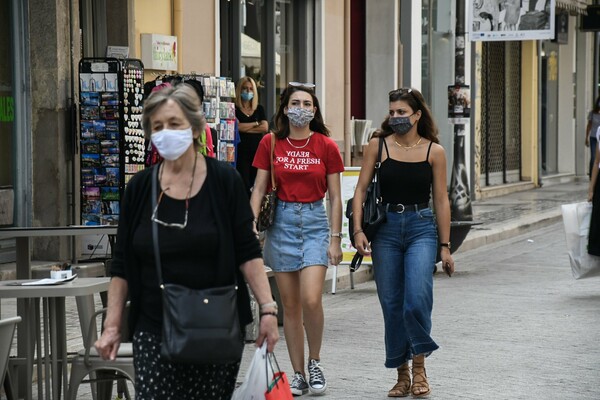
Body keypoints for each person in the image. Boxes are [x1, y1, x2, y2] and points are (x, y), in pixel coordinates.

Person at [94, 84, 279, 399]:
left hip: (216, 324)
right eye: (158, 127)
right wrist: (112, 325)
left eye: (175, 124)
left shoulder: (225, 182)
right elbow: (122, 263)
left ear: (195, 127)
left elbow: (247, 252)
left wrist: (268, 310)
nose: (166, 133)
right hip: (153, 326)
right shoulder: (140, 188)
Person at [352, 88, 454, 398]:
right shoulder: (377, 145)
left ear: (418, 115)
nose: (396, 117)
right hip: (386, 230)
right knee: (392, 303)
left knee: (417, 298)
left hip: (422, 227)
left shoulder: (433, 151)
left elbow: (441, 199)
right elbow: (360, 190)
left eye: (402, 113)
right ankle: (402, 373)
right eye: (392, 112)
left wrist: (445, 246)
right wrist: (357, 230)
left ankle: (420, 366)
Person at [250, 82, 344, 396]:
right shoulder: (271, 142)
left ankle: (315, 361)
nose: (300, 108)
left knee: (311, 299)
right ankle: (299, 373)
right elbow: (259, 188)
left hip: (316, 223)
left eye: (306, 104)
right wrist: (250, 224)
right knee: (289, 306)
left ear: (314, 110)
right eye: (295, 103)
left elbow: (335, 196)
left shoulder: (326, 146)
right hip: (282, 226)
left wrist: (335, 239)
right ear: (285, 108)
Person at [235, 76, 269, 195]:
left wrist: (244, 127)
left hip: (257, 152)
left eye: (250, 89)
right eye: (245, 88)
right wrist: (255, 124)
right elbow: (236, 128)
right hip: (241, 153)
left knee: (256, 185)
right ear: (239, 90)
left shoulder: (259, 109)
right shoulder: (234, 109)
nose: (248, 91)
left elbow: (265, 127)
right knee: (243, 185)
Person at [586, 95, 600, 178]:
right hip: (593, 137)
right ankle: (592, 175)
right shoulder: (592, 113)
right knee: (593, 156)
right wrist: (586, 137)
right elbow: (589, 125)